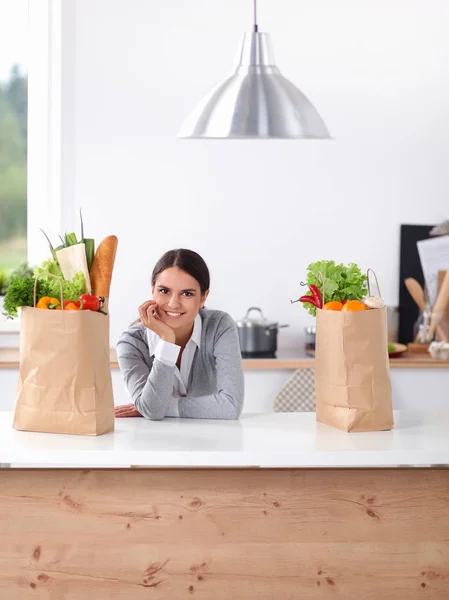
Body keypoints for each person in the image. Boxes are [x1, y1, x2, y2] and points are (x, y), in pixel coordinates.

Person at [115, 249, 244, 420]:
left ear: (204, 297)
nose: (173, 303)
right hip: (152, 441)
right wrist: (167, 341)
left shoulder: (219, 326)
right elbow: (153, 411)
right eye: (164, 291)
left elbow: (231, 406)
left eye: (187, 294)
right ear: (152, 290)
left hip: (212, 438)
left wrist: (162, 406)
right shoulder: (131, 343)